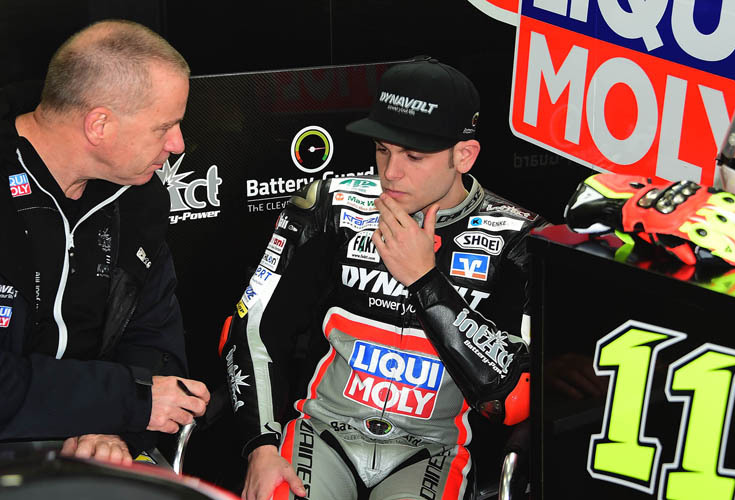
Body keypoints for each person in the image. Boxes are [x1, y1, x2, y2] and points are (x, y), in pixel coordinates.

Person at [220, 56, 543, 500]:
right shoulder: (328, 208)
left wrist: (426, 282)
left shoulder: (517, 237)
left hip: (434, 450)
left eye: (414, 156)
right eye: (383, 149)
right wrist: (261, 445)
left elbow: (514, 399)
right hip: (322, 433)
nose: (391, 173)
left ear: (463, 155)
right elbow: (251, 328)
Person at [0, 19, 210, 465]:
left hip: (91, 442)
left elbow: (158, 343)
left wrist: (111, 427)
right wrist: (123, 400)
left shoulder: (138, 200)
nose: (178, 144)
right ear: (99, 125)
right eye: (165, 126)